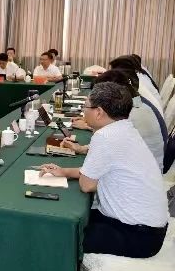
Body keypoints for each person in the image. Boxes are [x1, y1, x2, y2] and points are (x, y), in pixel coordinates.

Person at [39, 82, 167, 259]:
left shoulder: (105, 136)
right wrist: (64, 172)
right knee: (64, 222)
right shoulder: (124, 128)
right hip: (144, 226)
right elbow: (101, 172)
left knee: (59, 236)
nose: (83, 111)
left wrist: (79, 175)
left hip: (137, 235)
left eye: (86, 107)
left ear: (98, 112)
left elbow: (86, 185)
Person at [70, 69, 166, 172]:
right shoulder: (135, 102)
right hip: (143, 166)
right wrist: (82, 147)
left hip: (144, 170)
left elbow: (111, 142)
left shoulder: (133, 112)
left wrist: (88, 125)